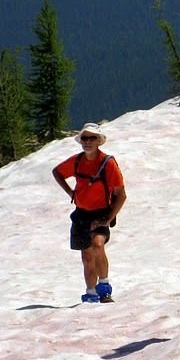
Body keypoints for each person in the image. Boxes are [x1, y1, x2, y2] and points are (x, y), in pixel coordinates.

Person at [52, 123, 127, 303]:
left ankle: (104, 286)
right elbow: (57, 172)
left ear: (99, 141)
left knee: (98, 244)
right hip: (81, 214)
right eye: (84, 138)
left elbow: (121, 194)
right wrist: (71, 193)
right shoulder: (77, 161)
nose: (87, 142)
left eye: (92, 138)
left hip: (100, 213)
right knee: (87, 256)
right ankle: (91, 293)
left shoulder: (107, 163)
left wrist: (108, 218)